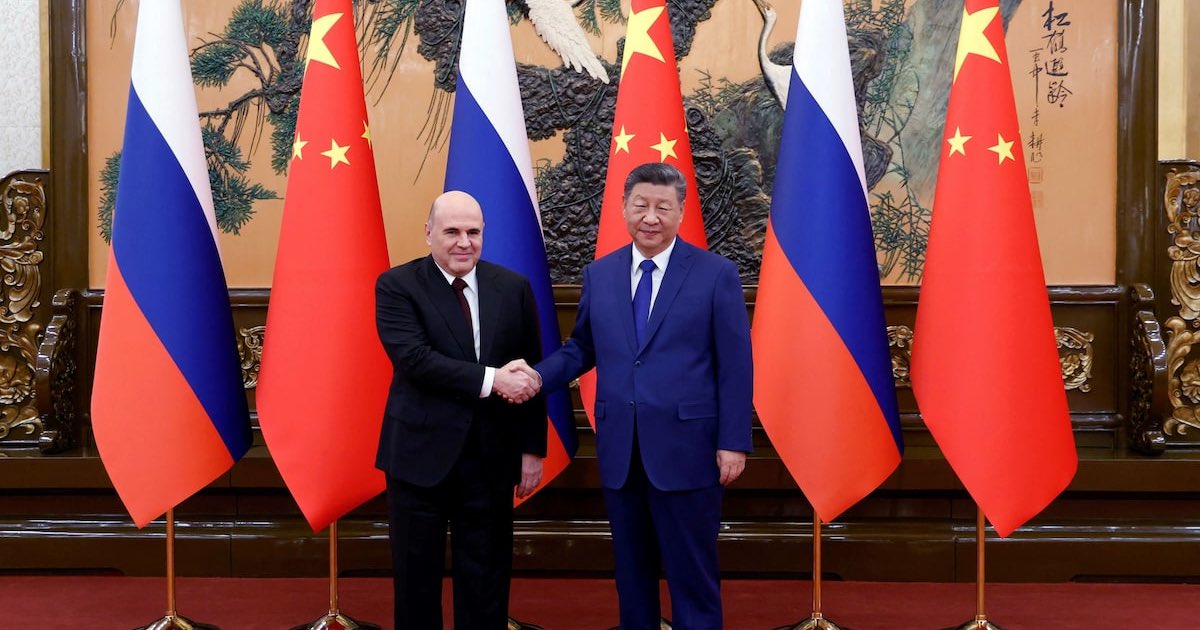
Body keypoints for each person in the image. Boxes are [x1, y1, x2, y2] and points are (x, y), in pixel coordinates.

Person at [512, 162, 753, 629]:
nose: (651, 216)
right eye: (641, 205)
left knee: (692, 576)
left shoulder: (715, 274)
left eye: (663, 207)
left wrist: (734, 441)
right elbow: (583, 347)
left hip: (691, 450)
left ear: (681, 212)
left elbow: (736, 366)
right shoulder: (600, 275)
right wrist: (538, 377)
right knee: (632, 575)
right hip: (622, 450)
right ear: (623, 209)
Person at [375, 190, 546, 629]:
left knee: (486, 579)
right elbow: (414, 359)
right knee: (416, 582)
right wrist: (493, 380)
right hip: (418, 459)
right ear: (429, 232)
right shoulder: (397, 285)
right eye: (451, 231)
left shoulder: (512, 288)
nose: (463, 242)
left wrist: (532, 448)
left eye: (473, 232)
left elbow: (531, 370)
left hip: (490, 458)